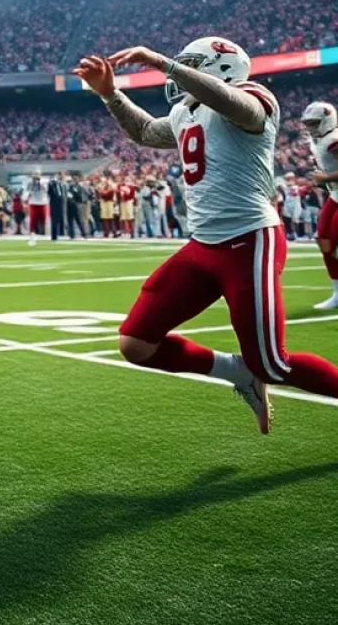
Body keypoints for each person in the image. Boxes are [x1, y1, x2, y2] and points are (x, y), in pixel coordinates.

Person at [75, 36, 338, 434]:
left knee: (272, 363)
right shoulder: (185, 112)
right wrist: (110, 95)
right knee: (136, 344)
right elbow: (146, 131)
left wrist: (163, 63)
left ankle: (256, 371)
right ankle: (235, 372)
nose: (182, 73)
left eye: (193, 64)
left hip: (250, 239)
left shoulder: (253, 95)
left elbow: (236, 106)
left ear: (222, 67)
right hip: (203, 244)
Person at [301, 101, 338, 310]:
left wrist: (326, 176)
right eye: (308, 124)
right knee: (323, 240)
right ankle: (337, 292)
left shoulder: (334, 140)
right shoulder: (320, 141)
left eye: (314, 123)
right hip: (334, 195)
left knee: (334, 244)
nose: (310, 128)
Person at [24, 170, 48, 246]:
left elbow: (45, 190)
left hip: (42, 203)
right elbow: (27, 192)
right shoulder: (29, 183)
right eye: (35, 175)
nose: (36, 177)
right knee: (33, 220)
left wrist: (40, 184)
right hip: (34, 203)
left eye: (37, 175)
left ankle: (43, 232)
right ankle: (32, 235)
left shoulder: (44, 181)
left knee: (43, 219)